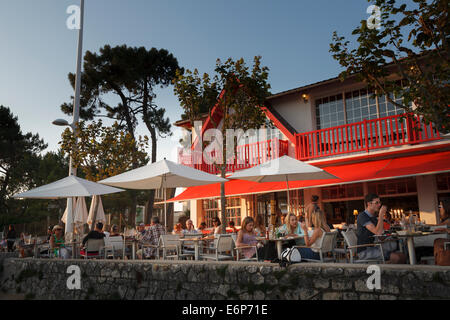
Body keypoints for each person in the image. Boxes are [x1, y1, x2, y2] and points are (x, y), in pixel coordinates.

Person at [356, 194, 406, 264]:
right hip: (365, 250)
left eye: (379, 202)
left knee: (402, 255)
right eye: (376, 203)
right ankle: (388, 271)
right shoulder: (363, 216)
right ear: (369, 204)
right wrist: (381, 215)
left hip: (374, 247)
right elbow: (378, 232)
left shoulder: (373, 217)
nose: (379, 205)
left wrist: (392, 235)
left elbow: (380, 236)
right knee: (397, 257)